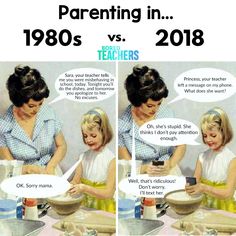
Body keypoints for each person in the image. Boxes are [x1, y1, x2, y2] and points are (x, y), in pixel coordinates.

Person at [118, 65, 186, 176]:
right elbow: (128, 165)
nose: (156, 109)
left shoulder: (166, 113)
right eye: (150, 105)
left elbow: (181, 145)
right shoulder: (122, 125)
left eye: (159, 104)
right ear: (136, 101)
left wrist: (170, 164)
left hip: (168, 168)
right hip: (140, 172)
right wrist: (146, 169)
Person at [0, 65, 67, 175]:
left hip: (49, 170)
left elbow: (62, 146)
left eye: (40, 104)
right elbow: (9, 163)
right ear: (18, 102)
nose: (37, 109)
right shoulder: (4, 126)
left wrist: (51, 166)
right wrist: (26, 170)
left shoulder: (48, 113)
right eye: (31, 106)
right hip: (20, 175)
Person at [185, 107, 236, 212]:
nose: (208, 139)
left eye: (213, 135)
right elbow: (196, 182)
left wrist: (204, 188)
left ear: (224, 132)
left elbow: (228, 193)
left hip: (224, 208)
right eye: (205, 135)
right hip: (204, 206)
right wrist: (191, 187)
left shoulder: (231, 159)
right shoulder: (202, 157)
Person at [69, 108, 116, 213]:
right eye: (85, 136)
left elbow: (108, 193)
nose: (88, 140)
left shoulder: (111, 159)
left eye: (93, 135)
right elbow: (76, 180)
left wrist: (85, 188)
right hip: (85, 205)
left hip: (103, 208)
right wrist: (70, 186)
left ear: (104, 133)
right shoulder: (83, 157)